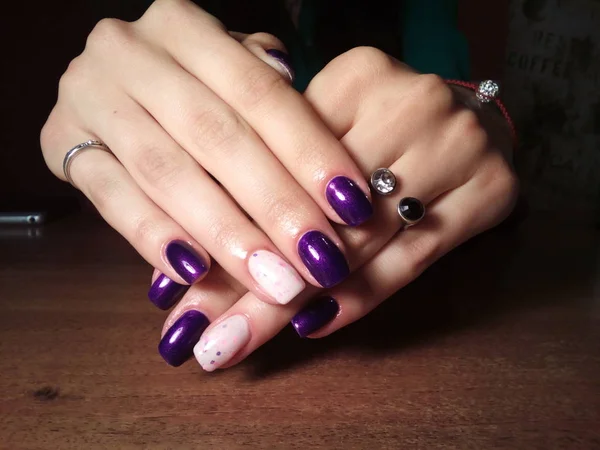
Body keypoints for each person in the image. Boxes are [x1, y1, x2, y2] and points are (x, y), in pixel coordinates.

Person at [40, 0, 518, 371]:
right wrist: (84, 117)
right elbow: (124, 61)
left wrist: (474, 114)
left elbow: (454, 95)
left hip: (442, 312)